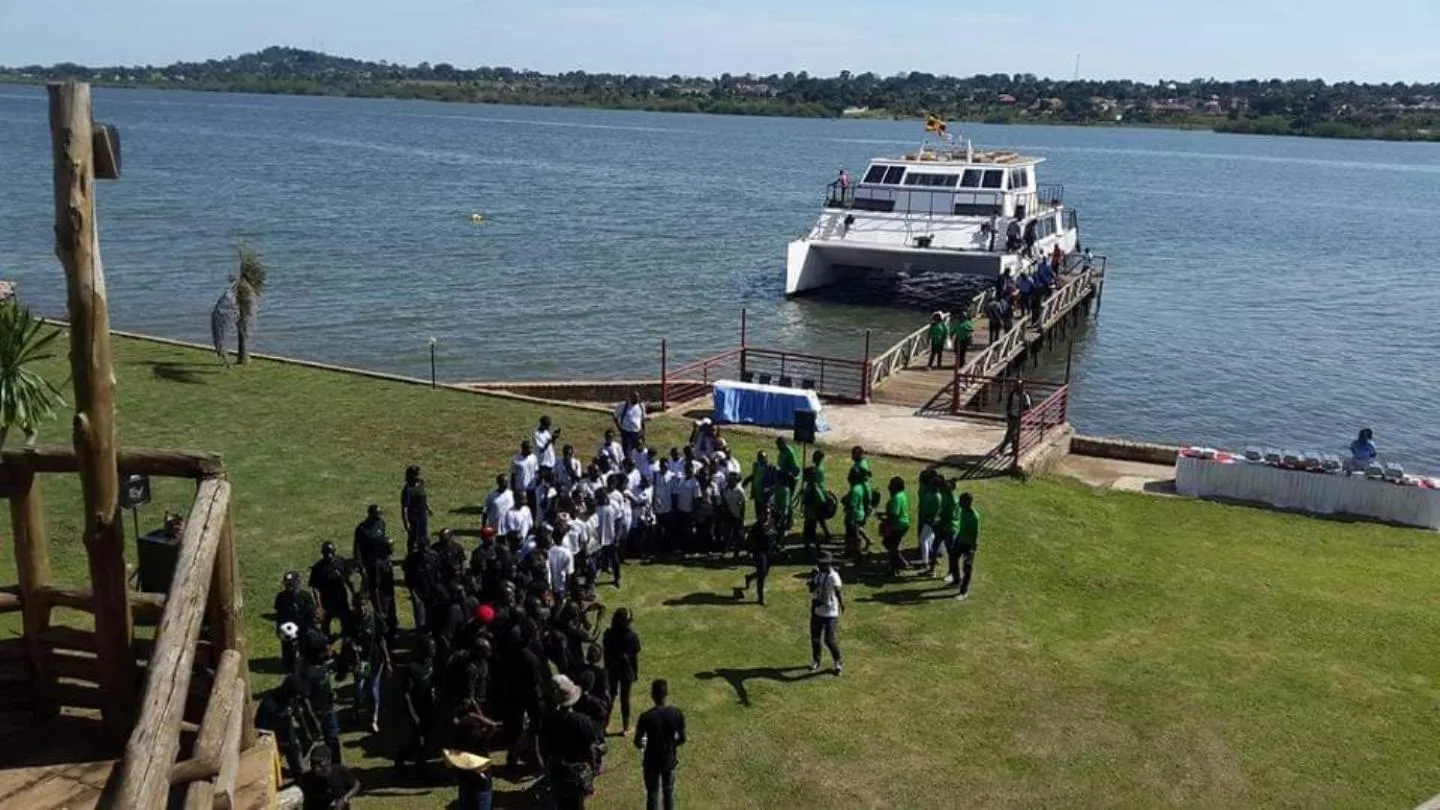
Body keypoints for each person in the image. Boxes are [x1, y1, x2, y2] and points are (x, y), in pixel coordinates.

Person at [538, 675, 603, 810]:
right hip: (577, 771)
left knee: (562, 803)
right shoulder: (582, 721)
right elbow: (590, 748)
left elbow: (542, 746)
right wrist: (594, 767)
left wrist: (546, 765)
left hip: (557, 768)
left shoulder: (549, 720)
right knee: (577, 804)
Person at [634, 679, 686, 810]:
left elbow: (637, 742)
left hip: (651, 761)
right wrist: (672, 745)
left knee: (652, 794)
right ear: (666, 693)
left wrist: (643, 744)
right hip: (669, 759)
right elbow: (683, 738)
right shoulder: (676, 714)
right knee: (668, 792)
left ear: (652, 695)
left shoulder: (645, 717)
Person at [345, 594, 389, 733]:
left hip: (375, 659)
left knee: (373, 689)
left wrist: (387, 660)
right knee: (360, 687)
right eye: (359, 606)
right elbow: (350, 637)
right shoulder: (353, 620)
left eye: (364, 605)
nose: (362, 608)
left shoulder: (375, 619)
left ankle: (373, 719)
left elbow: (382, 640)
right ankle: (356, 710)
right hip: (362, 660)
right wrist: (353, 646)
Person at [300, 640, 342, 764]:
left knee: (333, 741)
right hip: (317, 713)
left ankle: (336, 767)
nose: (329, 651)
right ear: (319, 654)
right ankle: (299, 764)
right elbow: (305, 698)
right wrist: (313, 719)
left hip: (328, 710)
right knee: (310, 741)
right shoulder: (309, 673)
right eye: (326, 650)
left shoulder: (323, 666)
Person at [254, 677, 305, 777]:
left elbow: (296, 712)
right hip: (273, 737)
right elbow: (259, 724)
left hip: (289, 735)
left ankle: (297, 776)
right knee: (272, 766)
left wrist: (304, 728)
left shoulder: (291, 699)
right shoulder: (269, 703)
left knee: (295, 759)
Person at [602, 608, 641, 735]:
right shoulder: (632, 637)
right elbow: (634, 658)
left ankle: (606, 724)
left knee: (611, 696)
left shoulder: (608, 634)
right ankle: (625, 727)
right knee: (625, 698)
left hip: (612, 668)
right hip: (626, 669)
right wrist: (635, 672)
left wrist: (607, 668)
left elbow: (606, 654)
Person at [807, 552, 844, 675]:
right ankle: (816, 660)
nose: (818, 565)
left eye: (821, 563)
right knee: (815, 638)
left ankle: (838, 661)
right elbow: (812, 590)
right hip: (817, 611)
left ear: (828, 564)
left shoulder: (834, 576)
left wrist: (842, 604)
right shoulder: (818, 573)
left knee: (829, 639)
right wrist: (812, 580)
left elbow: (838, 591)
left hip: (830, 613)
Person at [308, 541, 353, 639]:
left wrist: (353, 593)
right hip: (327, 600)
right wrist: (319, 605)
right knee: (325, 626)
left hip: (341, 599)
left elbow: (348, 578)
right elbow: (315, 587)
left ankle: (347, 643)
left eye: (331, 552)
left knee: (347, 623)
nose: (329, 555)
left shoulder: (340, 561)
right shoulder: (318, 568)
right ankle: (326, 646)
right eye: (326, 553)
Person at [275, 571, 317, 674]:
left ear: (298, 583)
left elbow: (311, 613)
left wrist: (309, 627)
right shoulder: (281, 596)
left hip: (303, 626)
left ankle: (306, 665)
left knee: (305, 646)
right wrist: (279, 626)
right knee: (287, 647)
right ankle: (289, 666)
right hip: (288, 627)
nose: (289, 586)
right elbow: (279, 613)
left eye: (291, 583)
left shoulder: (305, 596)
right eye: (287, 584)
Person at [298, 746, 359, 810]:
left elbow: (356, 785)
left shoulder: (340, 771)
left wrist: (344, 799)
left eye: (319, 762)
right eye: (313, 762)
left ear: (329, 761)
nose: (315, 766)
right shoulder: (306, 778)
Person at [739, 506, 774, 606]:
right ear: (761, 514)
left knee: (764, 572)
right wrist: (749, 552)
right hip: (759, 552)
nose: (767, 515)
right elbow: (749, 540)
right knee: (762, 574)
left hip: (769, 551)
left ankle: (749, 578)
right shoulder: (757, 526)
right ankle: (760, 597)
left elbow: (773, 536)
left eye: (768, 513)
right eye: (765, 513)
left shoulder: (771, 523)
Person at [951, 491, 980, 600]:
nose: (959, 503)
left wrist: (974, 546)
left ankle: (964, 591)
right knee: (953, 558)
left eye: (962, 501)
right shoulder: (963, 511)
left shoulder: (974, 516)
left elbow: (976, 533)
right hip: (960, 540)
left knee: (967, 568)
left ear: (968, 502)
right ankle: (956, 580)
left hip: (969, 544)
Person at [881, 476, 912, 576]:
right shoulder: (902, 495)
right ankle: (900, 562)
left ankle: (895, 567)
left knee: (890, 545)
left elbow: (894, 514)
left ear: (895, 487)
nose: (889, 487)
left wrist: (886, 522)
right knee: (890, 544)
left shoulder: (896, 498)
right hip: (903, 524)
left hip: (898, 525)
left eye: (891, 485)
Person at [401, 465, 432, 553]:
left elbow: (423, 497)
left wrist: (427, 507)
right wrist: (406, 521)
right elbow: (405, 507)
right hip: (414, 517)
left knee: (423, 535)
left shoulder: (421, 484)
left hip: (422, 515)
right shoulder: (408, 490)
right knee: (413, 537)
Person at [1000, 379, 1032, 456]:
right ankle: (1012, 450)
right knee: (1011, 434)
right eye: (1015, 385)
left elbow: (1028, 408)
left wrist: (1022, 415)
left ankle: (1003, 449)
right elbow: (1008, 404)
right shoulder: (1012, 394)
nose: (1016, 387)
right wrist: (1007, 414)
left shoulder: (1025, 396)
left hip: (1018, 417)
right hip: (1011, 415)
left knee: (1011, 433)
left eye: (1018, 386)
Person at [614, 392, 647, 457]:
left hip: (636, 432)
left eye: (637, 397)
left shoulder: (641, 406)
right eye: (634, 397)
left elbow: (642, 420)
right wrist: (619, 429)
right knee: (626, 450)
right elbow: (615, 417)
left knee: (635, 450)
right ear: (630, 397)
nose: (636, 399)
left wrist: (643, 433)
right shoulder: (623, 406)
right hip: (626, 432)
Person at [510, 441, 539, 508]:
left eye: (531, 448)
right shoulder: (516, 460)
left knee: (533, 509)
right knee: (522, 509)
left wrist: (537, 482)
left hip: (531, 489)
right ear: (524, 449)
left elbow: (536, 471)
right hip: (521, 490)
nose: (531, 450)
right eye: (529, 448)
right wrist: (514, 490)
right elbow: (513, 476)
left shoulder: (533, 458)